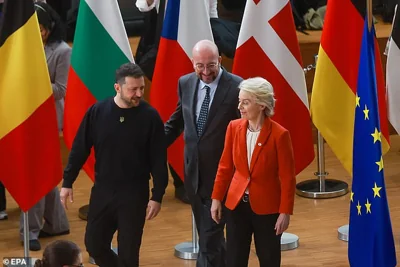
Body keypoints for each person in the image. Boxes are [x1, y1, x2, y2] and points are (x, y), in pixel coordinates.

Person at [60, 63, 169, 267]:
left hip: (134, 194)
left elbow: (158, 160)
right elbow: (79, 149)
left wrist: (157, 196)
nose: (138, 93)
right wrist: (67, 182)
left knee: (129, 253)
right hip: (103, 190)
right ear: (117, 88)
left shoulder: (150, 116)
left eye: (142, 88)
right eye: (133, 89)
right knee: (94, 244)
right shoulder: (97, 111)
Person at [164, 39, 242, 267]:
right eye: (200, 66)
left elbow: (243, 131)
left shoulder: (237, 86)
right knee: (211, 239)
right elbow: (177, 122)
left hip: (222, 177)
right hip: (194, 176)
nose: (206, 72)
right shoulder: (185, 83)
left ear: (220, 60)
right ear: (192, 62)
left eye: (211, 65)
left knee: (207, 243)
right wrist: (151, 145)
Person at [210, 77, 296, 267]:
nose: (240, 106)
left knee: (269, 258)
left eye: (246, 102)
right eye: (239, 101)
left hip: (267, 207)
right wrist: (216, 199)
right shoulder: (233, 127)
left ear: (262, 105)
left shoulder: (279, 135)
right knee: (234, 259)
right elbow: (225, 167)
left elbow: (287, 177)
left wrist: (285, 212)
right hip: (236, 204)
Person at [20, 2, 71, 251]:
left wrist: (32, 81)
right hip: (23, 117)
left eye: (42, 29)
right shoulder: (22, 47)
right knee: (37, 174)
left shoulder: (62, 51)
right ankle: (55, 223)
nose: (39, 33)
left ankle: (30, 230)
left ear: (49, 27)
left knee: (41, 174)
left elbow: (61, 90)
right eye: (34, 29)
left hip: (49, 119)